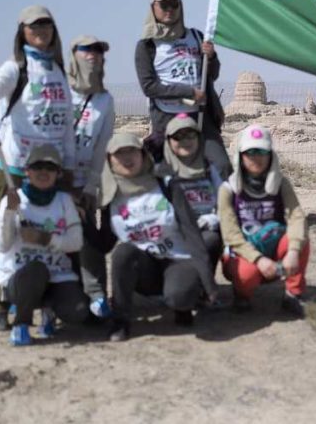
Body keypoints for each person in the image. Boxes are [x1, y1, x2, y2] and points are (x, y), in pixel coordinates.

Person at [0, 5, 76, 331]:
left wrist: (68, 167)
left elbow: (66, 126)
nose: (41, 30)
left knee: (49, 232)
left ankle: (45, 302)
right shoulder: (16, 68)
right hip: (14, 168)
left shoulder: (59, 71)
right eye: (33, 25)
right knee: (4, 232)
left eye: (46, 24)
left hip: (50, 169)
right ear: (22, 32)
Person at [87, 133, 215, 341]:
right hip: (144, 266)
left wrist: (208, 282)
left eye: (132, 152)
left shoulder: (165, 185)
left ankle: (184, 305)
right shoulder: (111, 195)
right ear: (109, 159)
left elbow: (191, 232)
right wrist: (82, 221)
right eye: (120, 154)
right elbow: (105, 244)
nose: (127, 159)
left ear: (143, 155)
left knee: (179, 296)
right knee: (123, 252)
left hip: (177, 259)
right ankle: (121, 321)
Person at [0, 145, 89, 346]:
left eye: (50, 168)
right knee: (36, 270)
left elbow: (76, 242)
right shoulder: (14, 201)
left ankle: (49, 311)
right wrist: (10, 213)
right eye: (37, 167)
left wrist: (46, 239)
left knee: (78, 311)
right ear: (27, 171)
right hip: (19, 277)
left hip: (57, 275)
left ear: (58, 173)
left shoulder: (64, 201)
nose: (43, 172)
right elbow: (2, 245)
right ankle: (21, 325)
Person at [135, 0, 229, 176]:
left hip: (200, 117)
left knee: (222, 167)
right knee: (165, 174)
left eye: (174, 4)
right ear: (154, 8)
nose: (170, 9)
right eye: (164, 5)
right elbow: (149, 87)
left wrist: (211, 58)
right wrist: (188, 92)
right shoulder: (147, 46)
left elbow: (212, 75)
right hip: (168, 118)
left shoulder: (196, 37)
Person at [218, 125, 309, 316]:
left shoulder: (280, 184)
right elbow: (230, 234)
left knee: (300, 240)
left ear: (270, 155)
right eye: (250, 152)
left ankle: (293, 294)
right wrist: (258, 260)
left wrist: (293, 250)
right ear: (241, 156)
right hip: (243, 250)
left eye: (261, 151)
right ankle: (242, 293)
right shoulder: (228, 189)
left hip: (272, 244)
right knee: (246, 275)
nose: (256, 157)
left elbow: (296, 217)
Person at [67, 35, 116, 319]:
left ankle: (97, 296)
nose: (93, 55)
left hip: (85, 181)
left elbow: (102, 146)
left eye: (98, 51)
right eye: (87, 50)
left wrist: (89, 186)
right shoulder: (59, 90)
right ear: (74, 54)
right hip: (55, 180)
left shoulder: (104, 99)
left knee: (88, 237)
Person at [160, 114, 225, 277]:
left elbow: (224, 202)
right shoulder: (162, 173)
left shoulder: (209, 170)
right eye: (178, 136)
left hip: (205, 229)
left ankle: (205, 284)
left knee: (211, 240)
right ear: (169, 141)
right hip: (174, 232)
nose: (185, 141)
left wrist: (212, 220)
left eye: (190, 135)